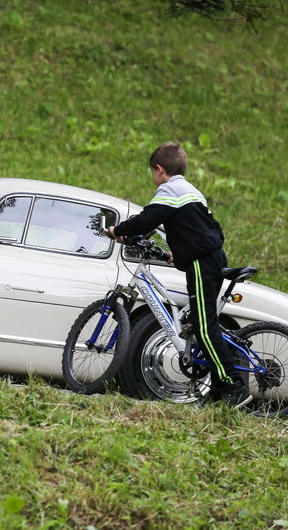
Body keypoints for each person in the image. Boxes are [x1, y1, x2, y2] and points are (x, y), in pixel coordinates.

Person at [107, 142, 251, 408]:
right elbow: (194, 228)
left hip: (202, 263)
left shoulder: (169, 190)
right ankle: (219, 386)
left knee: (203, 325)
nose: (153, 179)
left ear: (159, 169)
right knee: (200, 321)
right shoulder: (191, 191)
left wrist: (118, 231)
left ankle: (233, 387)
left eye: (152, 173)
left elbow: (146, 219)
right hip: (208, 257)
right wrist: (179, 253)